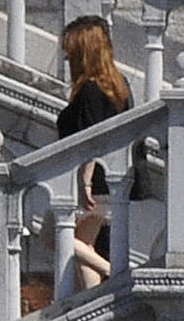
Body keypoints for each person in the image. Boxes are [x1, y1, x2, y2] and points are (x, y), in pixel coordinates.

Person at [56, 15, 133, 290]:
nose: (67, 61)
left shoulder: (89, 89)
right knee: (82, 244)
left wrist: (84, 181)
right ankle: (93, 296)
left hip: (94, 182)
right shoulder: (118, 84)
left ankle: (116, 274)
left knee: (60, 238)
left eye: (71, 54)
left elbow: (92, 137)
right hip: (112, 179)